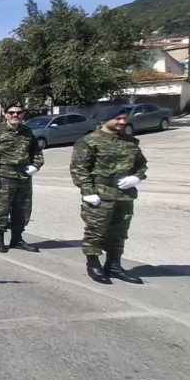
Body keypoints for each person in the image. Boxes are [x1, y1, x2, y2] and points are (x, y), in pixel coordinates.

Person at [70, 106, 148, 284]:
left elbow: (141, 165)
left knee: (119, 233)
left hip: (125, 196)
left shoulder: (131, 142)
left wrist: (136, 178)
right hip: (100, 195)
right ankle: (93, 265)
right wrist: (88, 192)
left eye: (124, 118)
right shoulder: (89, 141)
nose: (122, 122)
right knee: (95, 232)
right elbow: (79, 169)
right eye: (118, 118)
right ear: (105, 120)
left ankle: (113, 266)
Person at [0, 103, 44, 254]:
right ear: (5, 114)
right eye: (11, 113)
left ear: (23, 114)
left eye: (19, 113)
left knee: (23, 209)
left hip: (24, 177)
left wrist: (36, 166)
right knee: (2, 210)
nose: (15, 115)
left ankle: (17, 239)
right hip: (4, 176)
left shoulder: (27, 131)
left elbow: (36, 151)